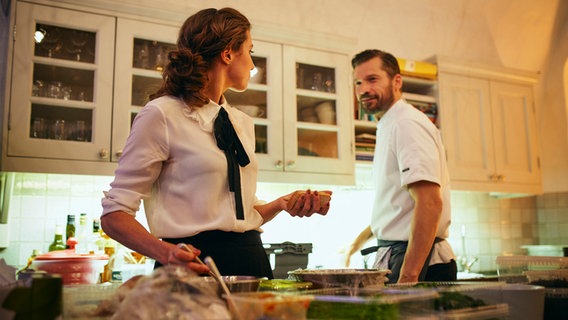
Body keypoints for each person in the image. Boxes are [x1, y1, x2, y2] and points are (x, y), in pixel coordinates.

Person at [100, 7, 331, 279]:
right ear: (228, 53)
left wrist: (282, 204)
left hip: (252, 262)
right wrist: (166, 253)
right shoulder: (161, 114)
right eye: (250, 51)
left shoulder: (241, 122)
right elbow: (114, 215)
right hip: (191, 266)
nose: (253, 64)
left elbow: (238, 214)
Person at [345, 49, 456, 283]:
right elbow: (400, 208)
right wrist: (358, 241)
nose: (363, 89)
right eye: (358, 82)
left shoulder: (406, 124)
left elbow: (430, 203)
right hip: (399, 253)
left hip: (417, 261)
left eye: (372, 79)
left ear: (397, 81)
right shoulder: (390, 124)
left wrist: (408, 278)